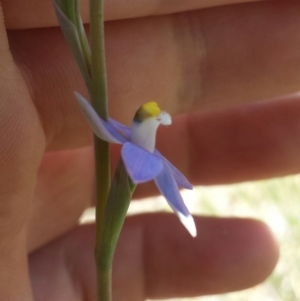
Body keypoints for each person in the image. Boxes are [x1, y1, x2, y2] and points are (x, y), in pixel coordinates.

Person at [1, 0, 299, 300]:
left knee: (105, 254)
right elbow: (103, 123)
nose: (156, 119)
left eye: (153, 120)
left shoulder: (143, 158)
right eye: (151, 119)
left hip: (132, 148)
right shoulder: (136, 154)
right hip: (127, 143)